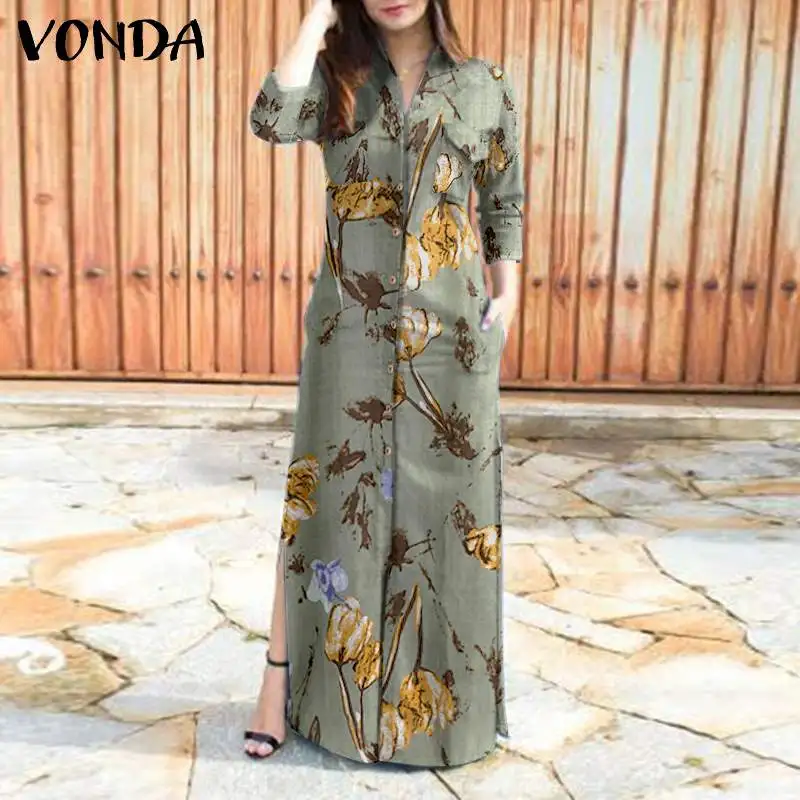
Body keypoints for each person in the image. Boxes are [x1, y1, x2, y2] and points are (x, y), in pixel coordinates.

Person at [245, 0, 524, 768]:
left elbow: (504, 201)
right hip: (349, 337)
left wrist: (508, 295)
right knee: (319, 506)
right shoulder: (336, 78)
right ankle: (280, 685)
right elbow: (271, 118)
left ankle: (442, 717)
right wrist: (315, 19)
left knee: (450, 522)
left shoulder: (484, 85)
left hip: (453, 339)